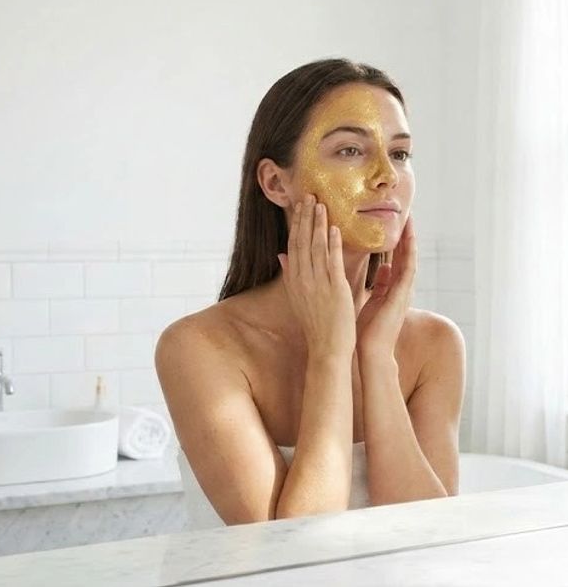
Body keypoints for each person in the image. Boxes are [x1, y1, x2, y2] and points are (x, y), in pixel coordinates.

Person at [156, 59, 465, 525]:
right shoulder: (198, 348)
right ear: (275, 183)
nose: (387, 175)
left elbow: (429, 537)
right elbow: (291, 550)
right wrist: (330, 353)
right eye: (350, 150)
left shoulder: (434, 345)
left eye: (400, 154)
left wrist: (377, 357)